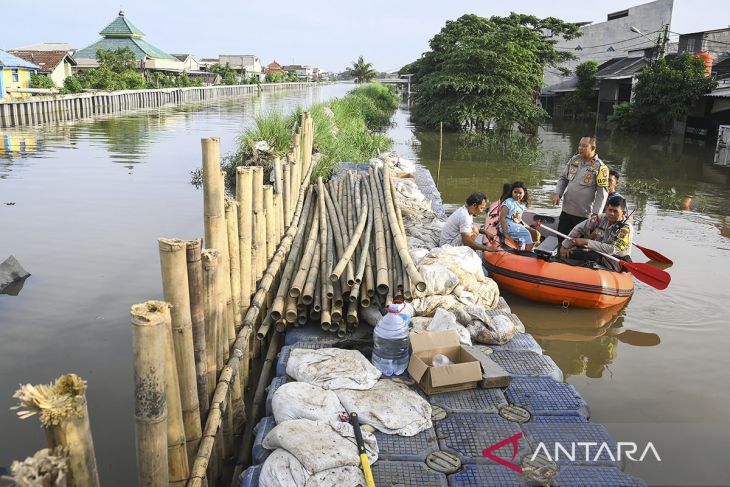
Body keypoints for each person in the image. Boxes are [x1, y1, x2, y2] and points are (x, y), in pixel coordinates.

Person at [552, 136, 609, 243]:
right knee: (561, 239)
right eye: (579, 145)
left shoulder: (601, 167)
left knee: (577, 244)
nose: (580, 148)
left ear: (593, 148)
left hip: (583, 215)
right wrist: (557, 193)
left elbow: (602, 193)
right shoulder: (574, 160)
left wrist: (596, 214)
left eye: (584, 146)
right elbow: (563, 178)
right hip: (567, 211)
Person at [559, 195, 633, 272]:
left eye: (615, 211)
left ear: (623, 213)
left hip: (617, 258)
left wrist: (587, 242)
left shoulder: (626, 229)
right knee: (570, 252)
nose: (611, 214)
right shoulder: (601, 218)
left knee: (591, 257)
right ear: (606, 209)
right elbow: (580, 228)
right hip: (599, 251)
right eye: (610, 210)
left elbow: (613, 249)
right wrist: (565, 246)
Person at [499, 181, 539, 251]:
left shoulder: (523, 203)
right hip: (507, 225)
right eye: (515, 192)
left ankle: (523, 250)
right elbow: (502, 217)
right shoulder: (509, 202)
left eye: (520, 193)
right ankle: (527, 254)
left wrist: (526, 226)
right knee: (527, 234)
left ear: (524, 193)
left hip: (515, 225)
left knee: (533, 232)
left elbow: (518, 219)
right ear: (512, 192)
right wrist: (506, 233)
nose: (517, 195)